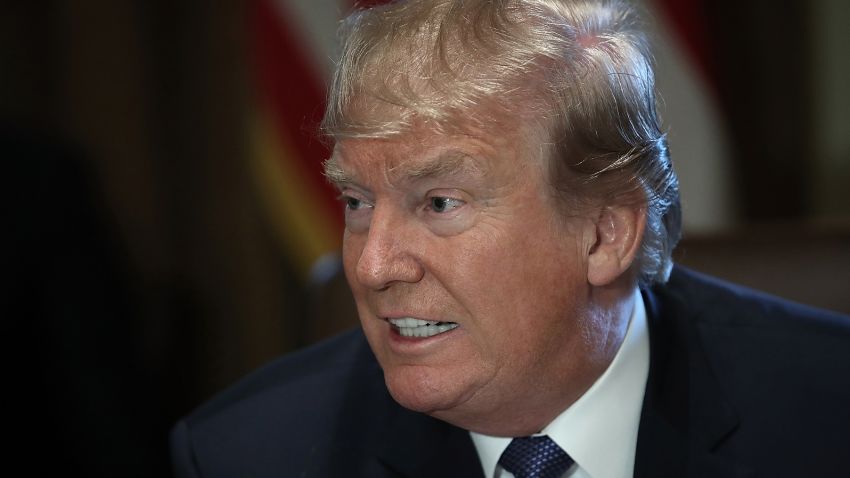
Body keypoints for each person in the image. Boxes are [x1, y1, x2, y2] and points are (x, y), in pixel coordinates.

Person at [170, 0, 850, 476]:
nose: (372, 265)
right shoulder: (248, 454)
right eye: (355, 201)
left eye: (438, 203)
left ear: (605, 234)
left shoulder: (829, 414)